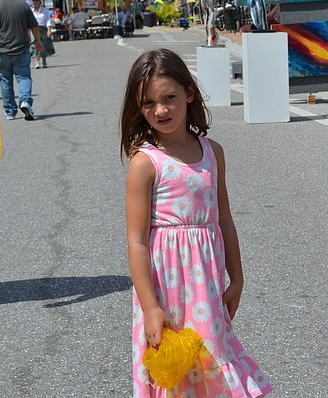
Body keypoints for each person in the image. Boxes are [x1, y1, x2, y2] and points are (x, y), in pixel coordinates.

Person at [121, 49, 271, 397]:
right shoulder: (146, 163)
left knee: (212, 359)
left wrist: (237, 278)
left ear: (189, 93)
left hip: (206, 283)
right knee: (174, 366)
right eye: (148, 103)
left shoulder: (212, 152)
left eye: (169, 98)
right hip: (166, 288)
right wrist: (150, 308)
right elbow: (137, 241)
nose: (160, 110)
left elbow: (224, 221)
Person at [29, 0, 54, 69]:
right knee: (35, 45)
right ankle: (37, 61)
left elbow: (48, 21)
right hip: (33, 29)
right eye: (34, 1)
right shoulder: (30, 10)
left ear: (40, 2)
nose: (35, 2)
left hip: (42, 28)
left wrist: (49, 30)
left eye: (37, 1)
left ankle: (44, 61)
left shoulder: (45, 10)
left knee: (43, 45)